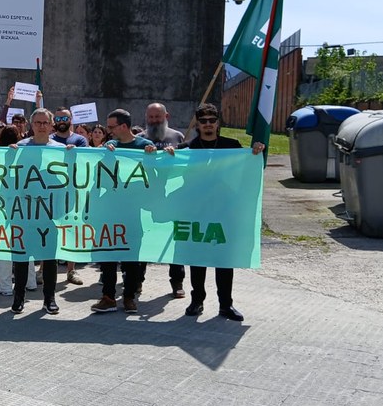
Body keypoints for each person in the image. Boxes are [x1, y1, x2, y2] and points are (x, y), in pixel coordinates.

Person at [183, 103, 264, 322]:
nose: (208, 124)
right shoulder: (189, 148)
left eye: (212, 120)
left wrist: (256, 151)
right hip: (198, 212)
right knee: (197, 258)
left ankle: (225, 305)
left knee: (224, 259)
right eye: (203, 121)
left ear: (218, 123)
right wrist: (169, 154)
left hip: (225, 212)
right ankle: (197, 300)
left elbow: (248, 167)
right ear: (198, 124)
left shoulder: (232, 146)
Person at [89, 108, 165, 314]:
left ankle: (129, 296)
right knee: (108, 253)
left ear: (123, 126)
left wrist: (153, 158)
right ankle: (108, 296)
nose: (109, 131)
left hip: (133, 209)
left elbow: (155, 176)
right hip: (109, 209)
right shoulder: (110, 146)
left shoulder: (144, 146)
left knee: (132, 254)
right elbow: (98, 174)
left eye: (111, 127)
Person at [7, 108, 67, 315]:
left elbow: (68, 180)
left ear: (51, 125)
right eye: (38, 122)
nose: (42, 126)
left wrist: (72, 157)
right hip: (23, 213)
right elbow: (8, 177)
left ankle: (49, 298)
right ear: (32, 125)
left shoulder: (61, 150)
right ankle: (18, 297)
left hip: (49, 214)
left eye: (45, 123)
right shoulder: (20, 148)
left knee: (50, 259)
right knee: (21, 258)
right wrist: (8, 157)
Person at [143, 102, 189, 299]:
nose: (154, 120)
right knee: (144, 240)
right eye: (151, 117)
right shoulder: (140, 139)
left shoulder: (178, 137)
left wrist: (176, 156)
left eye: (158, 117)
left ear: (166, 116)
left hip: (172, 198)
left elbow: (188, 165)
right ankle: (137, 282)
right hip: (146, 198)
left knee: (174, 239)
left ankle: (177, 282)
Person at [50, 107, 89, 286]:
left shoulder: (79, 140)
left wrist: (75, 153)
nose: (61, 121)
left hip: (72, 191)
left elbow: (85, 161)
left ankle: (71, 270)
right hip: (52, 191)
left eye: (64, 118)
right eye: (58, 118)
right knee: (50, 229)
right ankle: (43, 269)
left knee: (71, 229)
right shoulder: (49, 140)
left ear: (71, 119)